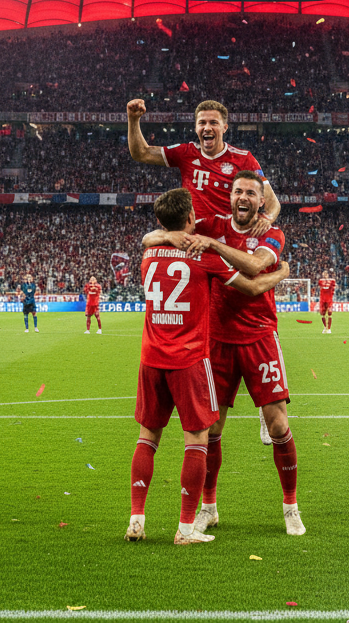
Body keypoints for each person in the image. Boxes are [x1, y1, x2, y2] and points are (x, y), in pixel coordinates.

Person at [143, 170, 305, 537]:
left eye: (251, 192)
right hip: (214, 342)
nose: (243, 197)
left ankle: (291, 506)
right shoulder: (211, 223)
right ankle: (209, 508)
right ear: (229, 197)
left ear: (261, 201)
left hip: (260, 336)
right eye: (237, 191)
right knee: (211, 429)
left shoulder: (270, 233)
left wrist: (213, 246)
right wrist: (167, 234)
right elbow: (152, 236)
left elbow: (255, 267)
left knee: (278, 422)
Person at [126, 97, 281, 235]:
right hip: (194, 241)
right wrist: (133, 120)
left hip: (229, 242)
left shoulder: (243, 159)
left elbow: (272, 202)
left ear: (224, 128)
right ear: (196, 128)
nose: (207, 128)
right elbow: (141, 153)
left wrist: (267, 219)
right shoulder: (186, 153)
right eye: (202, 123)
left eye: (214, 123)